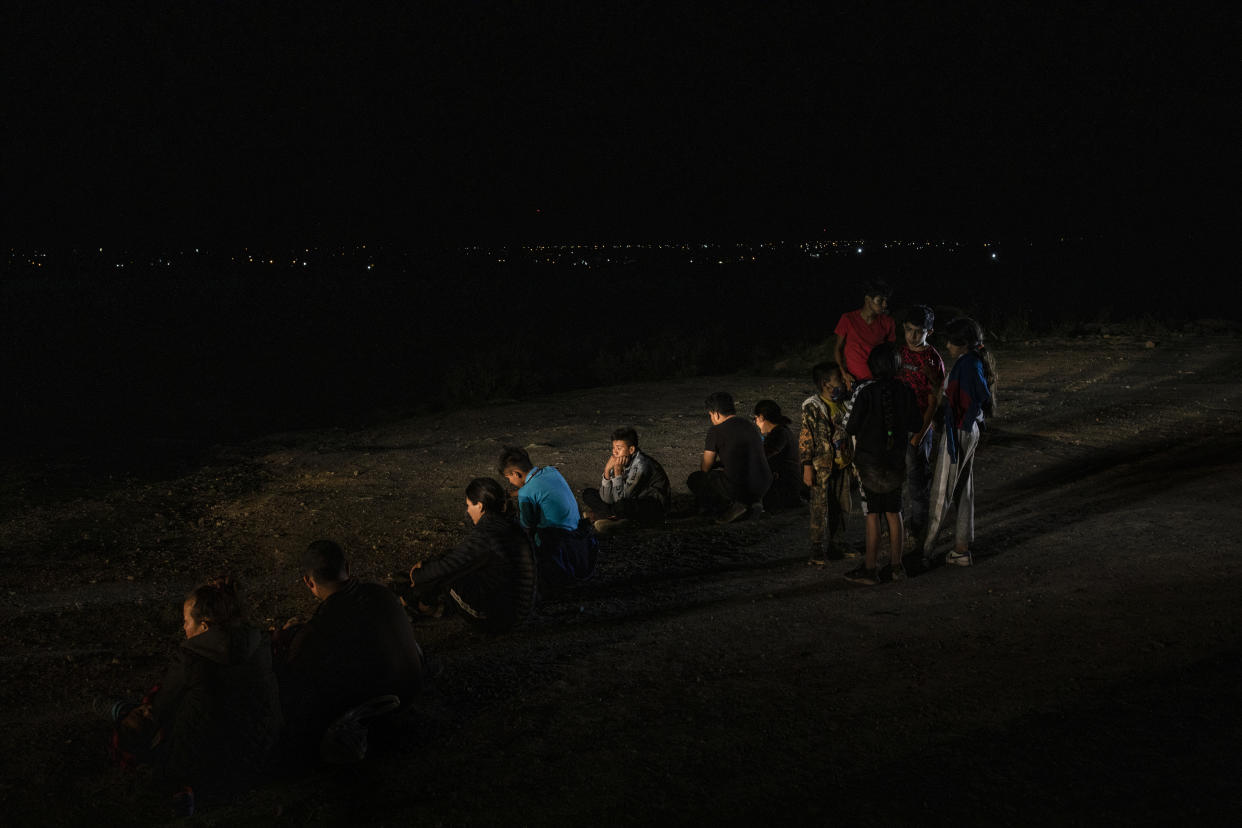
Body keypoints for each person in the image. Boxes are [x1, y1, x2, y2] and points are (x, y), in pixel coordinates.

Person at [109, 576, 282, 808]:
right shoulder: (258, 642)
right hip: (265, 751)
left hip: (213, 767)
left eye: (186, 621)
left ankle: (123, 712)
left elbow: (159, 709)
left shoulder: (192, 657)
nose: (184, 628)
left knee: (140, 723)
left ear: (205, 626)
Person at [277, 540, 426, 754]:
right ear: (347, 568)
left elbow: (293, 677)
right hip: (412, 688)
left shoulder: (318, 629)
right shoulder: (382, 594)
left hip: (376, 712)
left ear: (309, 582)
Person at [406, 477, 537, 632]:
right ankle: (421, 602)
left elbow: (449, 565)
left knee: (446, 575)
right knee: (456, 568)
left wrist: (417, 576)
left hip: (501, 619)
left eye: (469, 505)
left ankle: (417, 603)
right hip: (522, 608)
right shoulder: (510, 525)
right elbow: (461, 554)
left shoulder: (487, 534)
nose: (467, 511)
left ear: (480, 506)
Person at [842, 343, 922, 584]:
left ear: (871, 367)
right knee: (895, 511)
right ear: (898, 367)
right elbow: (916, 425)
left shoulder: (866, 392)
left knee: (873, 514)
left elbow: (851, 426)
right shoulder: (906, 390)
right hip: (895, 461)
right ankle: (897, 567)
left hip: (869, 463)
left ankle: (870, 569)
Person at [922, 317, 997, 568]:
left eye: (950, 341)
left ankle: (924, 551)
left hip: (959, 432)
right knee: (963, 490)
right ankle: (961, 548)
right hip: (970, 429)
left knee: (942, 491)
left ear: (962, 343)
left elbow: (955, 401)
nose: (947, 345)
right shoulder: (974, 361)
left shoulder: (965, 365)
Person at [499, 445, 598, 588]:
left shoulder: (525, 494)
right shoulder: (552, 471)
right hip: (580, 537)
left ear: (516, 473)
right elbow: (539, 487)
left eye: (509, 478)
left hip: (558, 544)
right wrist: (513, 494)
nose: (510, 482)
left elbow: (526, 527)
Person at [897, 304, 946, 548]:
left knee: (917, 478)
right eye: (909, 330)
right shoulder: (900, 354)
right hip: (898, 423)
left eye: (919, 331)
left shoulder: (932, 359)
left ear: (930, 331)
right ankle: (897, 522)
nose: (913, 336)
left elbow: (933, 402)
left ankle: (918, 525)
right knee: (897, 475)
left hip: (919, 427)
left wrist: (920, 434)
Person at [799, 362, 855, 563]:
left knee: (843, 505)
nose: (844, 381)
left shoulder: (844, 402)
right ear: (825, 383)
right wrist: (807, 466)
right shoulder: (813, 406)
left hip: (842, 464)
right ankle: (817, 547)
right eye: (839, 379)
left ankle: (837, 543)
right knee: (820, 507)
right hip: (821, 466)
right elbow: (807, 437)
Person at [686, 391, 771, 523]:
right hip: (764, 482)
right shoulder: (751, 425)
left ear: (716, 413)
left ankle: (730, 507)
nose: (711, 419)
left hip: (740, 486)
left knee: (696, 478)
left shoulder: (716, 431)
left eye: (710, 415)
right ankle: (754, 503)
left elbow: (705, 467)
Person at [580, 426, 672, 534]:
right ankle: (615, 519)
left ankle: (607, 517)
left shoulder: (641, 465)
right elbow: (607, 499)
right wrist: (606, 472)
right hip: (626, 499)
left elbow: (623, 498)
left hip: (652, 505)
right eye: (613, 448)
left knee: (622, 506)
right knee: (588, 494)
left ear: (631, 449)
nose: (615, 452)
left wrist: (617, 473)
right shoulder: (619, 461)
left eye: (619, 448)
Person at [834, 279, 897, 392]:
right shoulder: (848, 319)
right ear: (868, 299)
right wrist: (844, 374)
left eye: (886, 301)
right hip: (854, 380)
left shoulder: (888, 322)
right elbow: (838, 348)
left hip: (878, 381)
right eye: (880, 300)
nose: (885, 304)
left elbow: (891, 353)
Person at [753, 399, 802, 511]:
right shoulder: (782, 431)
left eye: (755, 418)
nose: (755, 422)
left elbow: (762, 456)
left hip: (785, 489)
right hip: (788, 484)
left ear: (761, 417)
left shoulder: (779, 434)